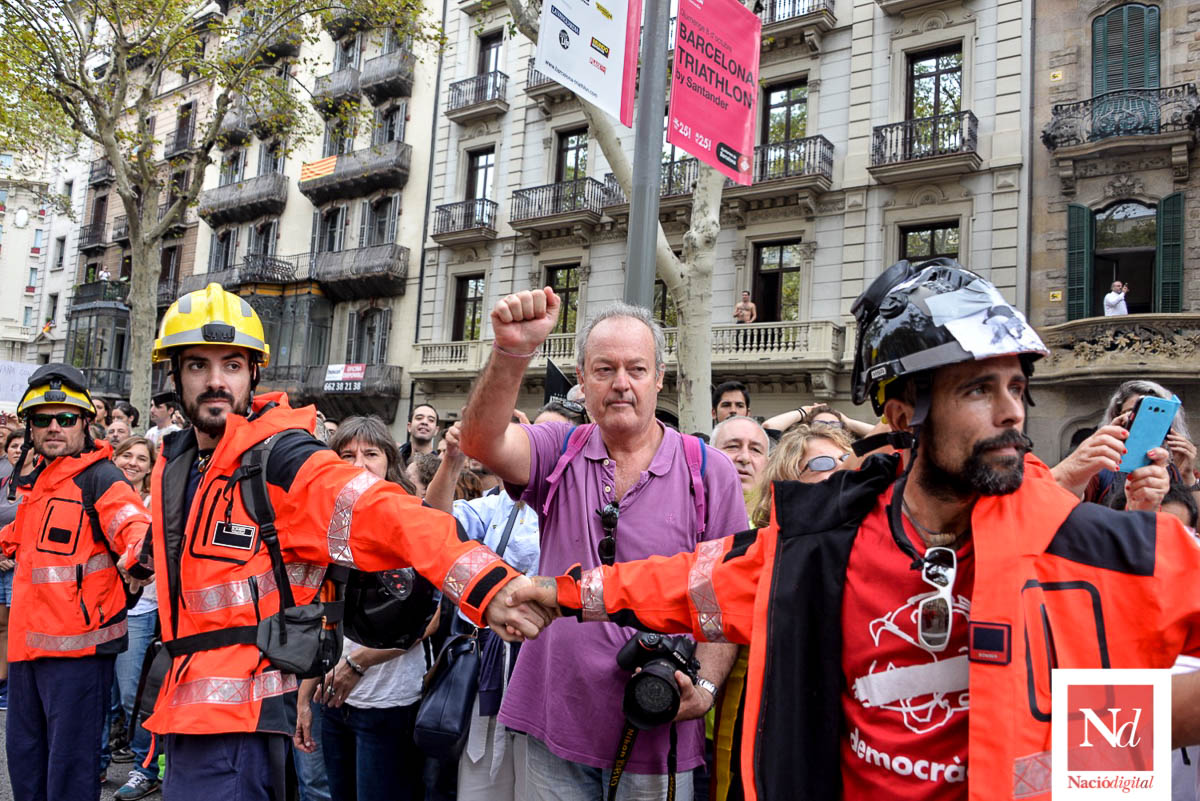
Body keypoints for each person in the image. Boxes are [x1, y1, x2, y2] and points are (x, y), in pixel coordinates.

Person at [510, 259, 1200, 801]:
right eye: (977, 390)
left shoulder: (1092, 547)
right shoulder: (820, 547)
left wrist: (1074, 745)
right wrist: (559, 592)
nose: (1011, 412)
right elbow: (685, 583)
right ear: (903, 417)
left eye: (1017, 387)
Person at [140, 284, 549, 801]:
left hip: (240, 725)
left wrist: (488, 587)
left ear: (255, 373)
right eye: (198, 365)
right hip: (183, 709)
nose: (216, 381)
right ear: (173, 375)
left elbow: (395, 517)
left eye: (233, 365)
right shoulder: (179, 463)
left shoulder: (282, 460)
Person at [460, 293, 745, 801]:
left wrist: (703, 691)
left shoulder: (708, 470)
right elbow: (482, 444)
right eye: (604, 368)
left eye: (637, 369)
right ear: (582, 379)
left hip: (659, 729)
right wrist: (511, 352)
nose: (621, 383)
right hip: (556, 726)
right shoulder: (558, 451)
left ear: (659, 378)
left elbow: (725, 596)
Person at [1, 365, 152, 801]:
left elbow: (133, 528)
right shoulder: (39, 482)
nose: (53, 427)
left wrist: (142, 557)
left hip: (78, 656)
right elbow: (20, 542)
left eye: (65, 418)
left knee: (69, 772)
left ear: (86, 423)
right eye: (43, 419)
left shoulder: (101, 479)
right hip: (27, 652)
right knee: (26, 763)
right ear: (29, 427)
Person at [295, 416, 430, 801]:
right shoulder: (325, 523)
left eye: (370, 454)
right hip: (330, 701)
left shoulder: (412, 517)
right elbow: (320, 617)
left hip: (386, 702)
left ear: (389, 460)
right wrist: (305, 697)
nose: (359, 464)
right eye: (347, 454)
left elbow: (428, 619)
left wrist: (357, 665)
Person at [427, 420, 542, 801]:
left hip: (545, 670)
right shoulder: (499, 503)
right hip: (486, 664)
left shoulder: (585, 507)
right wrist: (453, 459)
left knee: (539, 782)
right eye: (535, 439)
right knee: (480, 786)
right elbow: (437, 518)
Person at [104, 436, 163, 800]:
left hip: (142, 608)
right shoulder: (100, 493)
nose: (133, 462)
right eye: (127, 454)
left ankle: (146, 766)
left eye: (142, 458)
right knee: (105, 696)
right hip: (100, 606)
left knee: (133, 696)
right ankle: (97, 764)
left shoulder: (156, 502)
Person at [1054, 379, 1197, 505]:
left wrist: (1187, 476)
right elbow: (1065, 501)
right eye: (1133, 412)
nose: (1142, 421)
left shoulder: (1175, 469)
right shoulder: (1102, 466)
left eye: (1151, 415)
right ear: (1118, 419)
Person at [0, 431, 28, 711]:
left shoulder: (38, 482)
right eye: (14, 446)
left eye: (23, 445)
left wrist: (11, 553)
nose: (18, 450)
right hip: (0, 561)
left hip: (19, 566)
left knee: (15, 628)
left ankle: (13, 689)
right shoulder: (3, 477)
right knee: (0, 627)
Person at [710, 416, 769, 498]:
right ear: (710, 457)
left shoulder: (781, 509)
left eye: (755, 450)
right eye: (733, 446)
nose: (745, 458)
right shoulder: (690, 509)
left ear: (768, 465)